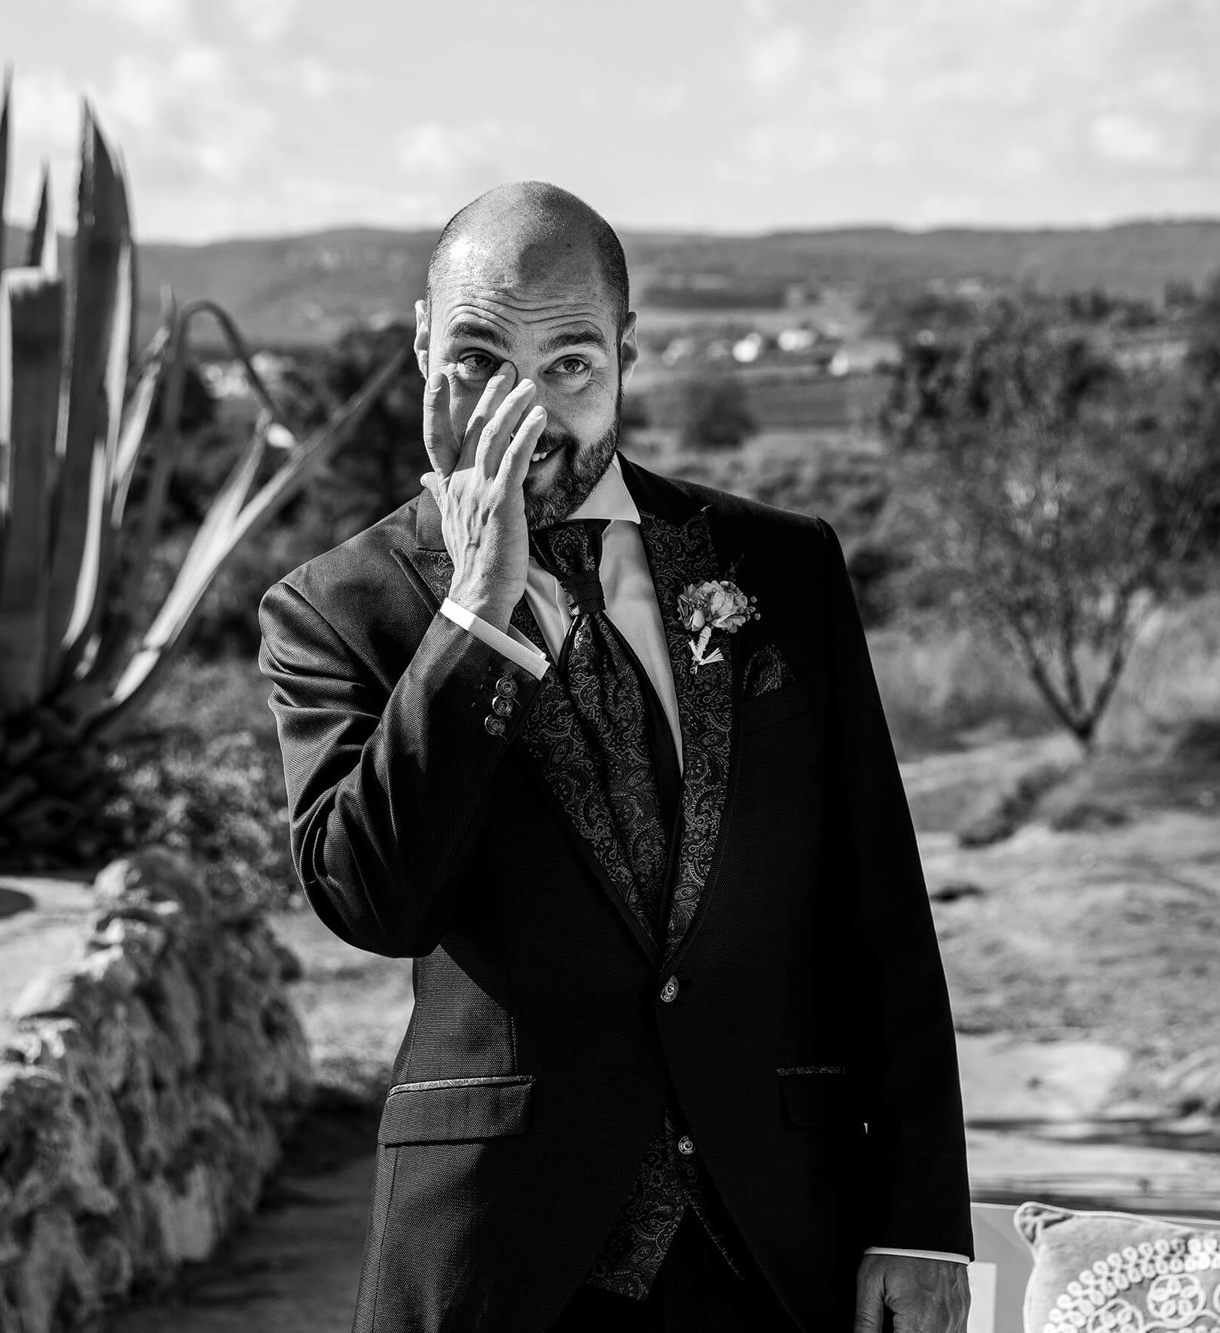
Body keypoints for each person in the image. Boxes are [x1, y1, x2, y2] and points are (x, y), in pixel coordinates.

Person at [257, 181, 971, 1333]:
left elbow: (876, 906)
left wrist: (920, 1215)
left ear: (626, 353)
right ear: (422, 343)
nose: (524, 412)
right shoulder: (336, 609)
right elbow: (372, 898)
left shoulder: (781, 567)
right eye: (481, 359)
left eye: (569, 364)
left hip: (780, 1241)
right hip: (503, 1253)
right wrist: (473, 620)